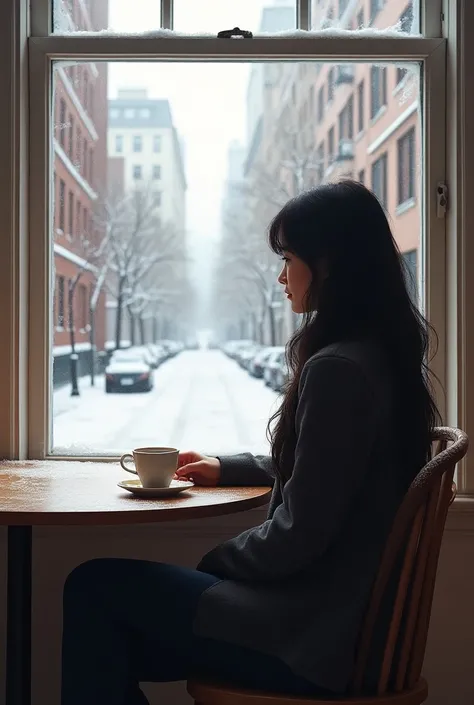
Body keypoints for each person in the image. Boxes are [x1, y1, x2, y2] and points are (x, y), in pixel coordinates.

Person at [61, 181, 440, 705]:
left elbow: (299, 533)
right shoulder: (380, 356)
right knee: (116, 630)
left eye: (287, 258)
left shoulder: (339, 369)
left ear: (328, 262)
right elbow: (338, 469)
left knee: (93, 589)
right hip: (341, 627)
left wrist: (216, 561)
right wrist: (231, 466)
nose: (281, 276)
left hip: (311, 640)